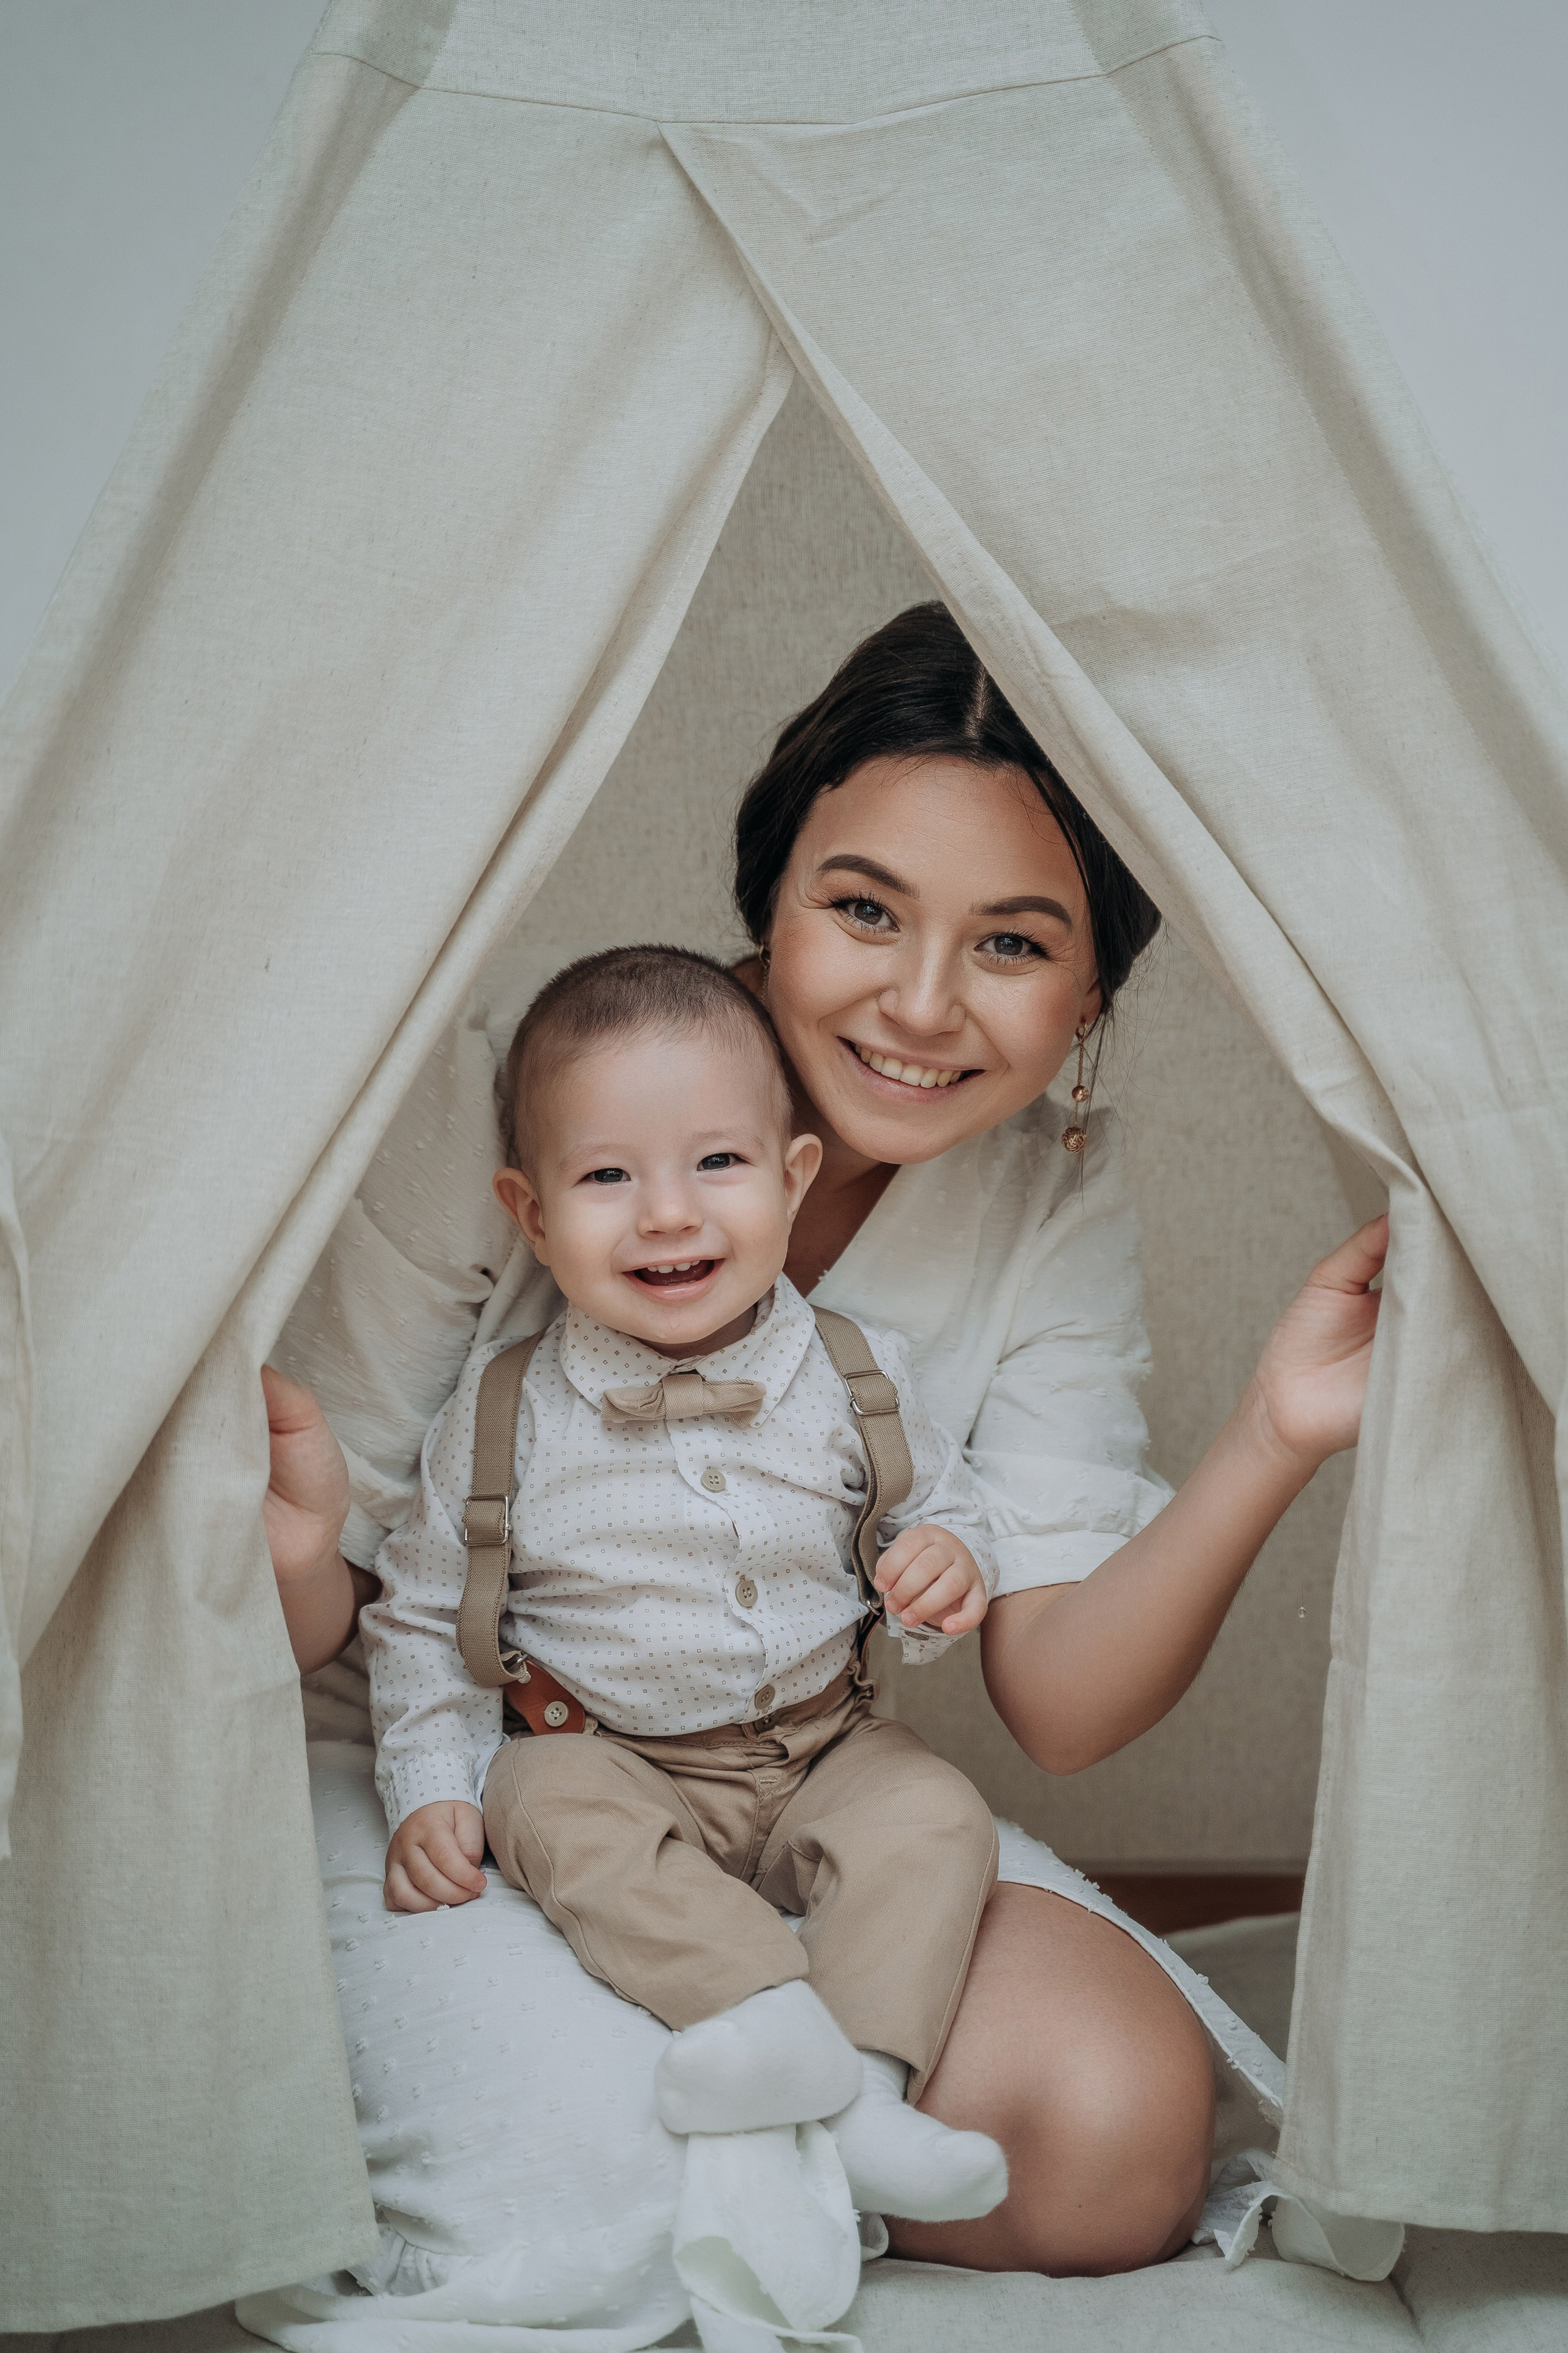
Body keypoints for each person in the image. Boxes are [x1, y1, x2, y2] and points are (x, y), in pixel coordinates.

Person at [265, 602, 1386, 2278]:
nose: (921, 1003)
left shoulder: (1051, 1193)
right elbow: (342, 1581)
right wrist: (283, 1564)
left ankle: (790, 2085)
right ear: (771, 892)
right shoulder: (535, 1084)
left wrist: (1276, 1437)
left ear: (1094, 991)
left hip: (790, 1767)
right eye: (864, 909)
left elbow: (1058, 1702)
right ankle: (706, 2118)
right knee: (590, 2206)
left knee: (1109, 2139)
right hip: (455, 1771)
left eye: (1012, 944)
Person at [363, 942, 1009, 2226]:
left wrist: (946, 1562)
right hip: (614, 1749)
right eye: (606, 1176)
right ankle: (767, 2018)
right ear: (531, 1212)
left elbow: (936, 1503)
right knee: (538, 1800)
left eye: (716, 1162)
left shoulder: (850, 1374)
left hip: (826, 1738)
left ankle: (868, 2088)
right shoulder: (508, 1413)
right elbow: (425, 1613)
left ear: (791, 1174)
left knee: (937, 1815)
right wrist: (428, 1783)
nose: (667, 1212)